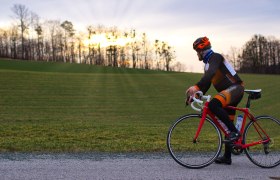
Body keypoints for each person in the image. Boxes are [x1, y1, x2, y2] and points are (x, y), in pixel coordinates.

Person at [186, 37, 245, 165]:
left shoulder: (215, 57)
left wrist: (195, 86)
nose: (196, 54)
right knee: (227, 122)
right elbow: (206, 84)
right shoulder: (208, 65)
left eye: (197, 51)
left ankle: (235, 132)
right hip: (228, 92)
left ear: (202, 50)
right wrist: (195, 96)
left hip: (236, 88)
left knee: (213, 104)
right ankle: (227, 157)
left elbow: (211, 73)